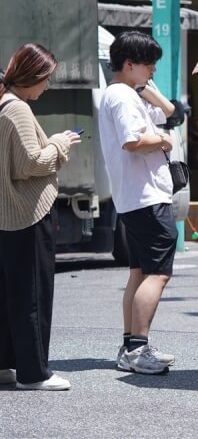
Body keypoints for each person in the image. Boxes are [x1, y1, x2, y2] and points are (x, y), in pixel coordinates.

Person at [0, 44, 80, 391]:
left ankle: (5, 364)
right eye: (46, 79)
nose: (47, 87)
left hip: (8, 214)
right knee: (32, 293)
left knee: (10, 293)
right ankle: (34, 373)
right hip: (27, 213)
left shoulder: (4, 103)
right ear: (32, 76)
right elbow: (30, 164)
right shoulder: (16, 109)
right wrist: (60, 143)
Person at [99, 31, 178, 375]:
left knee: (139, 271)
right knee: (157, 274)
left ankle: (130, 344)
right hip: (146, 196)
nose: (153, 71)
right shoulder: (122, 97)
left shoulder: (123, 93)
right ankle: (137, 348)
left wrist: (146, 89)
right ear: (129, 64)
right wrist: (163, 140)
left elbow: (170, 111)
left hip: (134, 196)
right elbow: (133, 141)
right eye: (148, 65)